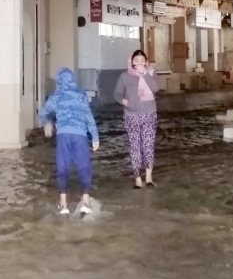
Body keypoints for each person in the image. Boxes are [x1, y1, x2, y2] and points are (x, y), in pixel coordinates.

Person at [39, 67, 100, 216]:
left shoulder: (56, 96)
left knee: (63, 168)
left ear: (59, 81)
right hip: (80, 136)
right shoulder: (81, 95)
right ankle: (85, 202)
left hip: (63, 136)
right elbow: (88, 116)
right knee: (84, 168)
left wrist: (47, 123)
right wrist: (95, 136)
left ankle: (63, 204)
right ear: (74, 80)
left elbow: (43, 112)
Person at [114, 49, 161, 188]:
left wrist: (144, 74)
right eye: (136, 60)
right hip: (131, 115)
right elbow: (117, 94)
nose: (139, 63)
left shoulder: (151, 73)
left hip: (149, 114)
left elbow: (156, 88)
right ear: (132, 62)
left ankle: (149, 177)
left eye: (142, 60)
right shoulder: (125, 76)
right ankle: (137, 179)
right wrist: (124, 101)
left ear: (146, 62)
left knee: (148, 146)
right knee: (135, 146)